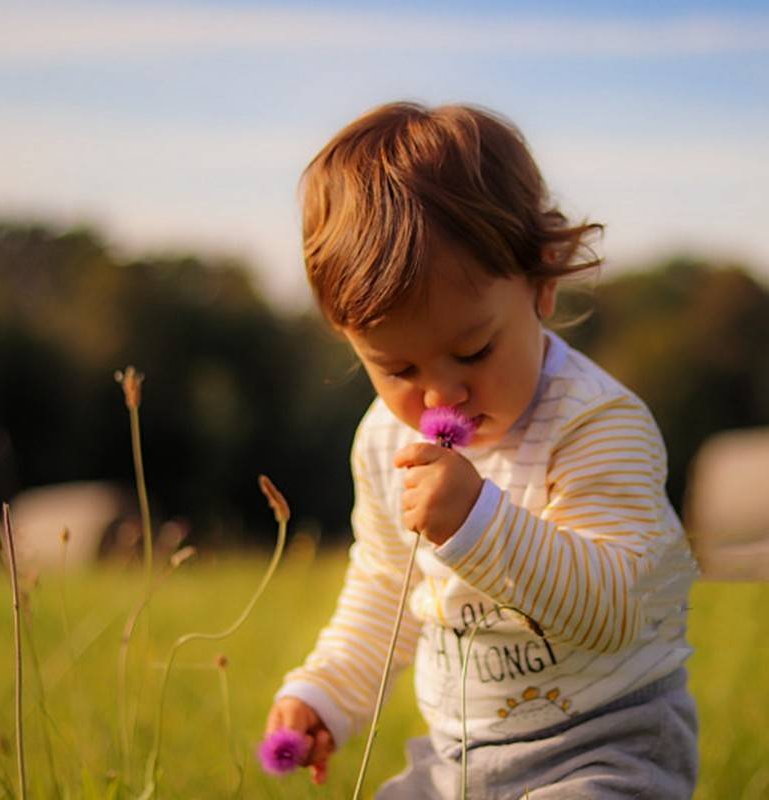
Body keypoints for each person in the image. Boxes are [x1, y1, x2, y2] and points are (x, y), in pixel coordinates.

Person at [265, 101, 700, 799]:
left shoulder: (594, 425)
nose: (440, 399)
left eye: (473, 350)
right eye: (398, 370)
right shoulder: (383, 440)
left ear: (543, 282)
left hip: (607, 748)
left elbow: (622, 610)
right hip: (458, 763)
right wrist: (324, 695)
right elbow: (385, 592)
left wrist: (479, 524)